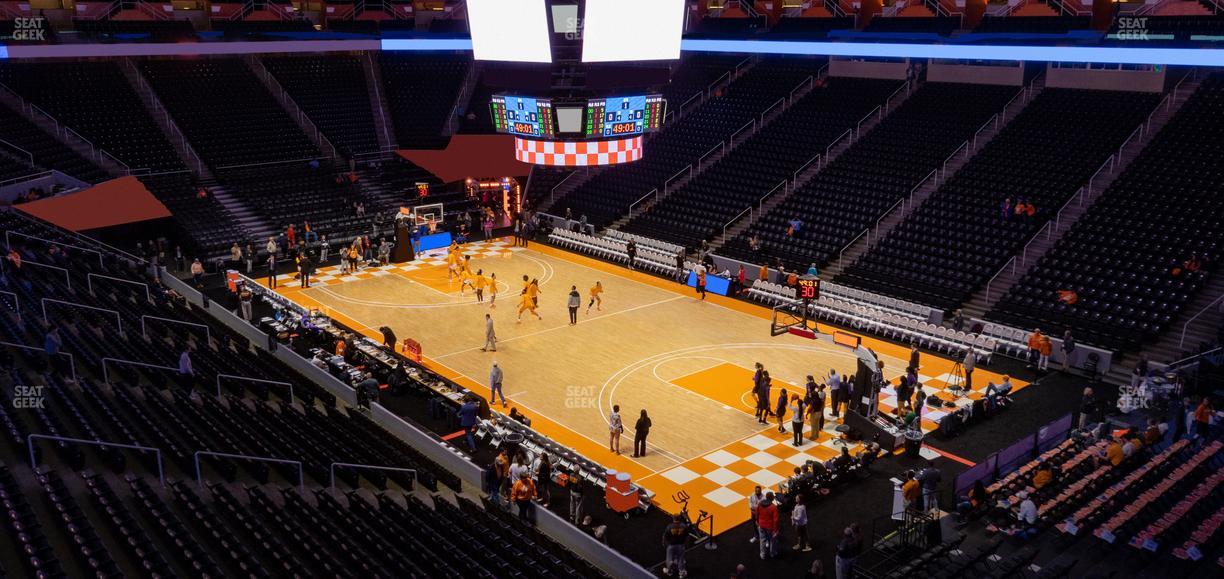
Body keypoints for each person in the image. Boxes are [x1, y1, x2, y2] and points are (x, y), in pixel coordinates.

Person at [757, 492, 779, 559]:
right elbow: (776, 520)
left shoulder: (760, 504)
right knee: (772, 540)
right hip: (770, 527)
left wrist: (758, 522)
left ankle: (762, 555)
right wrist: (775, 530)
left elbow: (757, 514)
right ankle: (772, 553)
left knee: (762, 540)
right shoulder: (773, 507)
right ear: (772, 498)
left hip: (761, 525)